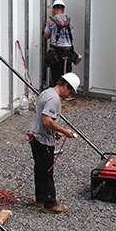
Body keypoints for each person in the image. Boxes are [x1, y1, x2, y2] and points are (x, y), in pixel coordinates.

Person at [29, 72, 79, 214]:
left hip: (36, 136)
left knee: (40, 169)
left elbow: (44, 120)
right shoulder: (54, 98)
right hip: (43, 140)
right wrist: (64, 131)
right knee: (47, 172)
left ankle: (40, 198)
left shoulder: (46, 92)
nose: (69, 95)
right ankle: (50, 204)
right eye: (70, 91)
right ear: (65, 86)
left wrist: (54, 131)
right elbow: (47, 121)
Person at [43, 0, 80, 89]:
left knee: (56, 72)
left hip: (57, 51)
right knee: (67, 73)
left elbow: (46, 36)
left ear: (54, 9)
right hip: (69, 50)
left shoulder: (51, 20)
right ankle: (68, 91)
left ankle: (57, 91)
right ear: (63, 10)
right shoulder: (69, 20)